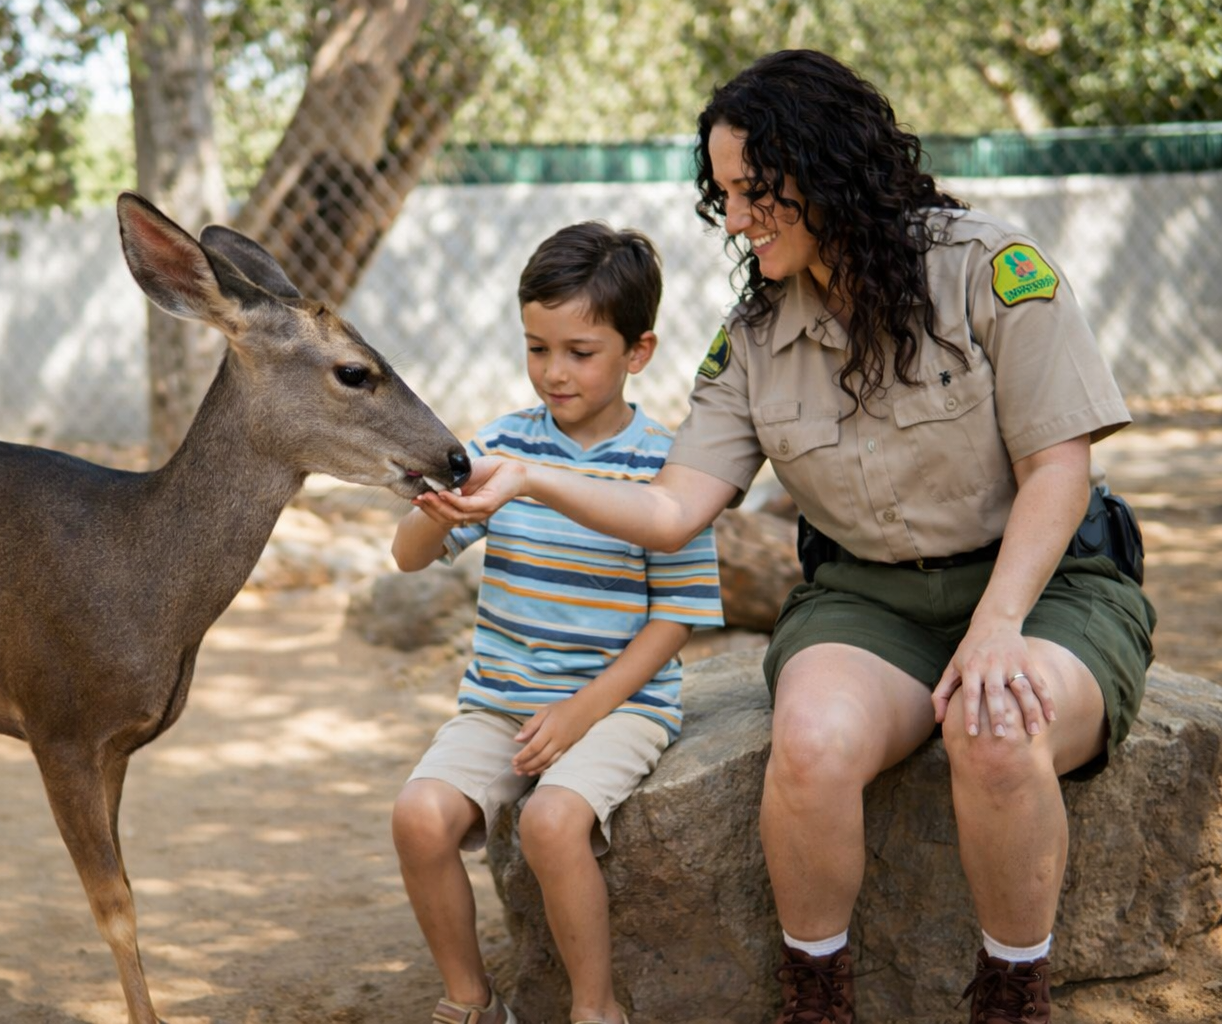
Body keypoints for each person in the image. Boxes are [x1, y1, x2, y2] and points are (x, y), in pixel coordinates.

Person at [425, 49, 1156, 1024]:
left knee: (997, 724)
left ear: (831, 169)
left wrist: (996, 625)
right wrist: (530, 477)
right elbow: (674, 509)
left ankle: (1013, 997)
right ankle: (817, 998)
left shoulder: (990, 271)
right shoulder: (757, 335)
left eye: (755, 191)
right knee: (807, 742)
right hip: (867, 601)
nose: (732, 220)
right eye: (723, 194)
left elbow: (1058, 467)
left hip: (1047, 585)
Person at [391, 221, 724, 1024]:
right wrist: (438, 512)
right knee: (419, 816)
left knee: (549, 821)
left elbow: (677, 617)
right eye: (537, 348)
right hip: (502, 700)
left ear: (636, 352)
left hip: (616, 708)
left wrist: (582, 713)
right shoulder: (500, 444)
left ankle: (594, 1007)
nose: (554, 371)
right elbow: (408, 558)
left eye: (580, 351)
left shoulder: (665, 467)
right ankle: (472, 1001)